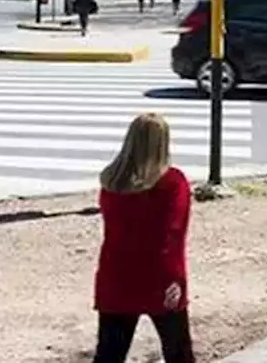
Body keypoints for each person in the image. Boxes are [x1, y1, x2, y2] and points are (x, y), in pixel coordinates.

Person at [93, 113, 195, 363]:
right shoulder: (172, 182)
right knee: (178, 352)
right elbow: (172, 233)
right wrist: (175, 280)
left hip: (115, 275)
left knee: (109, 353)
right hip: (159, 276)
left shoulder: (112, 182)